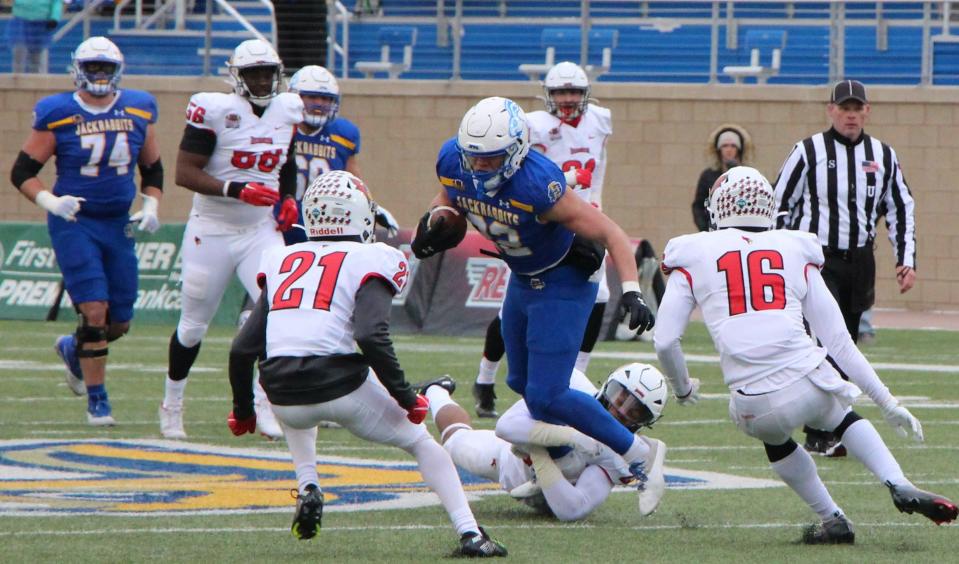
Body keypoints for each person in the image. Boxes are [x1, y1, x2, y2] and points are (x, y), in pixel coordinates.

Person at [653, 166, 956, 544]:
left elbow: (665, 340)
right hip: (809, 381)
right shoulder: (795, 247)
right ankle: (898, 480)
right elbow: (840, 343)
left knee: (773, 435)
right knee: (839, 413)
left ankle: (832, 518)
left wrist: (682, 389)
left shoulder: (693, 250)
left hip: (755, 404)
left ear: (718, 208)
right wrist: (889, 402)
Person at [226, 170, 507, 557]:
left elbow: (243, 350)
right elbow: (370, 334)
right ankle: (470, 533)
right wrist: (407, 397)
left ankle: (308, 486)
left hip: (282, 392)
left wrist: (244, 410)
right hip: (340, 384)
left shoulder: (281, 257)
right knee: (423, 444)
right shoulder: (373, 256)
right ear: (361, 214)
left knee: (294, 399)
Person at [413, 96, 657, 485]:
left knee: (547, 394)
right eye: (473, 156)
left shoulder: (538, 184)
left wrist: (631, 290)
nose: (478, 166)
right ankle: (563, 458)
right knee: (520, 383)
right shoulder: (453, 160)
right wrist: (435, 220)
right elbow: (449, 196)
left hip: (565, 279)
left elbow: (610, 232)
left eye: (489, 158)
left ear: (514, 151)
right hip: (523, 277)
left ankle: (632, 451)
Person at [11, 36, 163, 425]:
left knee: (120, 321)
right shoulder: (58, 111)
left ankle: (72, 349)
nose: (98, 75)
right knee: (94, 309)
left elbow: (153, 167)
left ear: (118, 71)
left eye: (105, 68)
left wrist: (151, 203)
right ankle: (98, 400)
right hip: (74, 222)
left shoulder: (139, 107)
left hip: (117, 222)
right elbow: (23, 172)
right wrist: (50, 202)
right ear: (78, 70)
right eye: (92, 67)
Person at [159, 39, 301, 440]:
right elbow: (185, 172)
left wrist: (288, 199)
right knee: (193, 326)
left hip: (260, 230)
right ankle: (172, 404)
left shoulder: (289, 108)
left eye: (266, 72)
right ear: (236, 77)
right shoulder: (216, 110)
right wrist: (235, 190)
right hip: (213, 229)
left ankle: (264, 402)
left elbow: (284, 163)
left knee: (280, 314)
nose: (261, 80)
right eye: (253, 73)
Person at [773, 80, 917, 455]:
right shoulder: (808, 151)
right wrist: (785, 252)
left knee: (846, 343)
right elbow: (779, 202)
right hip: (817, 260)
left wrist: (906, 259)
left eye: (858, 108)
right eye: (844, 108)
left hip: (859, 260)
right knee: (825, 343)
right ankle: (819, 431)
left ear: (867, 111)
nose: (851, 115)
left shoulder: (882, 155)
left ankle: (827, 425)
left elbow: (901, 207)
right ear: (831, 110)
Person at [470, 61, 610, 418]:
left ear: (585, 94)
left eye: (574, 92)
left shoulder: (600, 120)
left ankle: (576, 374)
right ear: (547, 96)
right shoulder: (532, 124)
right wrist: (569, 178)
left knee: (601, 295)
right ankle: (485, 379)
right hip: (543, 218)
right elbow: (521, 169)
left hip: (585, 219)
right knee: (509, 308)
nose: (566, 98)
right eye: (560, 92)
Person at [418, 363, 668, 521]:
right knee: (455, 442)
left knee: (573, 461)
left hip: (549, 485)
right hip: (510, 463)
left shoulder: (619, 455)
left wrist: (539, 453)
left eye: (634, 412)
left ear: (643, 422)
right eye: (620, 396)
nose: (619, 411)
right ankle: (437, 390)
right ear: (608, 385)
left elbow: (572, 509)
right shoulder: (573, 385)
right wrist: (573, 437)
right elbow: (507, 427)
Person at [281, 64, 398, 246]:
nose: (319, 103)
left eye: (325, 98)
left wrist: (371, 206)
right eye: (311, 96)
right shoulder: (281, 126)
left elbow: (353, 179)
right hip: (282, 215)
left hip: (325, 221)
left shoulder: (343, 133)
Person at [692, 124, 751, 232]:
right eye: (725, 146)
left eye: (733, 146)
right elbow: (699, 206)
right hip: (714, 229)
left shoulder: (747, 174)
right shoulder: (708, 176)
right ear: (719, 149)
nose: (729, 150)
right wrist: (705, 228)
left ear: (739, 149)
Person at [7, 0, 61, 74]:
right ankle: (16, 82)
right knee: (19, 52)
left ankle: (37, 83)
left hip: (41, 24)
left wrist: (55, 18)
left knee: (37, 57)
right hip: (20, 21)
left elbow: (56, 2)